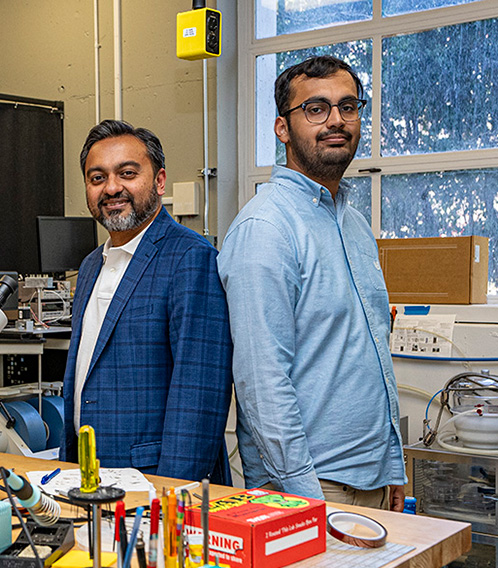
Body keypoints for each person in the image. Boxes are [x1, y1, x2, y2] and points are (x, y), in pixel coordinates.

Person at [217, 56, 406, 512]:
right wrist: (306, 500)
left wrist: (394, 466)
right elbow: (263, 384)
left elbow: (370, 353)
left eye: (348, 106)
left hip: (373, 478)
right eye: (316, 109)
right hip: (312, 487)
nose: (336, 120)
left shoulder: (355, 225)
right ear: (282, 128)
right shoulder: (266, 228)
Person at [61, 119, 232, 483]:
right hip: (90, 473)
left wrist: (172, 495)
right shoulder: (91, 265)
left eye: (127, 173)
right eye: (97, 178)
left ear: (159, 181)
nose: (112, 188)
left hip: (155, 482)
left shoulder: (191, 258)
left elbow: (199, 398)